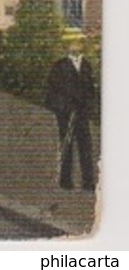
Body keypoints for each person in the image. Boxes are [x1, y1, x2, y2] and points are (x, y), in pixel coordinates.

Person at [44, 31, 97, 192]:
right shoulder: (59, 66)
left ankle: (88, 182)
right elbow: (52, 90)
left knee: (85, 146)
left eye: (78, 43)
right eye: (71, 43)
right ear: (67, 46)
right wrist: (63, 108)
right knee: (67, 145)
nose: (75, 46)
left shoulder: (86, 65)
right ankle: (65, 181)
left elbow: (91, 89)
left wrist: (88, 106)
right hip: (66, 113)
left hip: (81, 113)